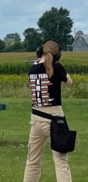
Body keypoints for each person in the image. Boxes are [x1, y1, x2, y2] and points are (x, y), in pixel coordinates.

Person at [23, 39, 73, 182]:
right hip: (56, 118)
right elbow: (69, 82)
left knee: (32, 161)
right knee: (61, 162)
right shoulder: (57, 68)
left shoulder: (32, 69)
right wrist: (62, 70)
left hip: (36, 119)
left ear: (40, 51)